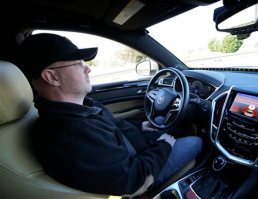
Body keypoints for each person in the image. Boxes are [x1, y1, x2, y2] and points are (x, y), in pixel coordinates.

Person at [18, 33, 203, 196]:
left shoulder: (81, 107)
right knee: (197, 141)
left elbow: (114, 125)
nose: (88, 68)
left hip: (136, 151)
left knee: (168, 122)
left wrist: (141, 126)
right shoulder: (67, 133)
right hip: (143, 174)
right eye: (79, 63)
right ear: (52, 77)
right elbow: (133, 180)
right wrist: (164, 146)